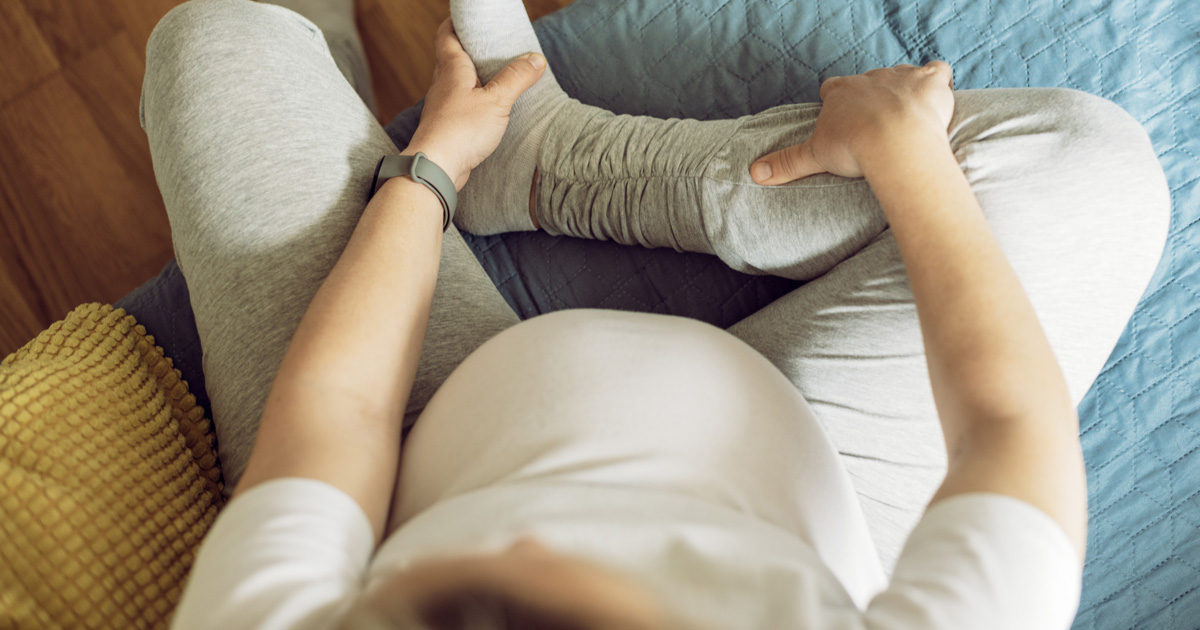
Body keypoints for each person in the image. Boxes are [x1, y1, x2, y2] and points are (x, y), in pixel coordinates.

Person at [143, 0, 1170, 628]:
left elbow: (339, 413)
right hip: (827, 469)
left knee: (215, 45)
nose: (539, 540)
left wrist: (432, 174)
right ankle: (564, 166)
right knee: (1091, 173)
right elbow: (1008, 426)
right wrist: (907, 162)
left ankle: (524, 158)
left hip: (426, 431)